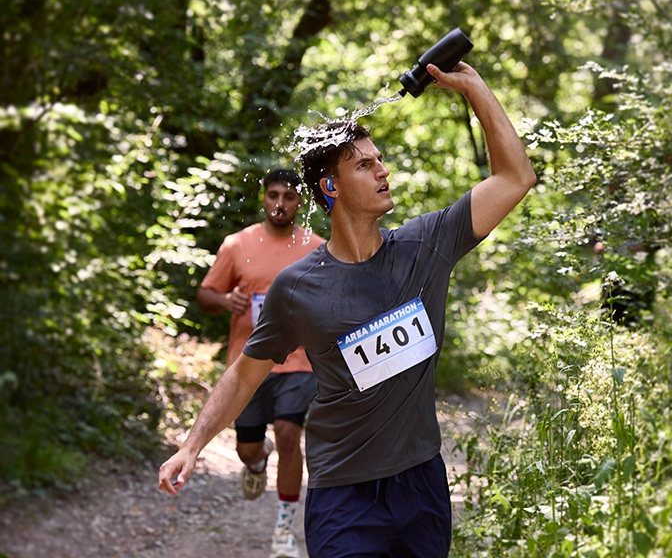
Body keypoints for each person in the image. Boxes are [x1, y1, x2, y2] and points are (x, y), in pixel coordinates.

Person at [159, 60, 536, 557]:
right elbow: (245, 374)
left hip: (421, 484)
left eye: (380, 159)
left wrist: (476, 90)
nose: (382, 170)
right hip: (344, 494)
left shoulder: (427, 245)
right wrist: (192, 444)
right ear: (330, 187)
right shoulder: (296, 287)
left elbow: (516, 177)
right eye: (364, 164)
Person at [195, 168, 324, 558]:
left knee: (289, 433)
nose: (280, 203)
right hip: (248, 363)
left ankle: (285, 529)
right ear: (263, 198)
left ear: (300, 201)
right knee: (248, 449)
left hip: (299, 362)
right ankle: (256, 462)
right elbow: (205, 294)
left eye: (288, 196)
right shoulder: (238, 244)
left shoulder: (317, 248)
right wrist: (223, 301)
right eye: (273, 195)